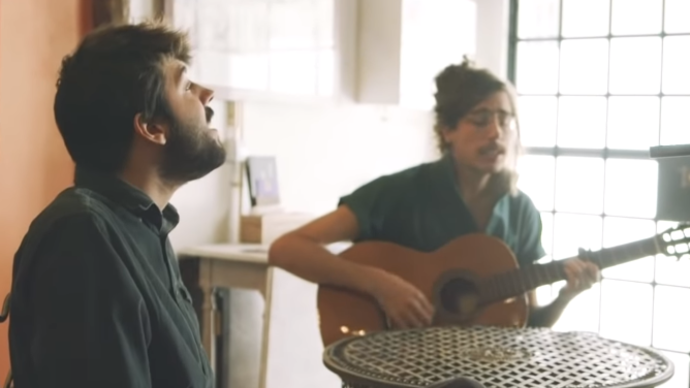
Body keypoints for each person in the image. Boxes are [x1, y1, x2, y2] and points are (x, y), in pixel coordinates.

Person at [268, 58, 600, 330]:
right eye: (481, 120)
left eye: (505, 120)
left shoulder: (521, 210)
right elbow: (286, 249)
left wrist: (566, 296)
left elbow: (528, 326)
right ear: (448, 130)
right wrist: (380, 285)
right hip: (391, 366)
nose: (497, 132)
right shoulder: (401, 192)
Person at [9, 21, 225, 388]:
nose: (207, 94)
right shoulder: (84, 237)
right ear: (151, 128)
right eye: (186, 85)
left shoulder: (145, 228)